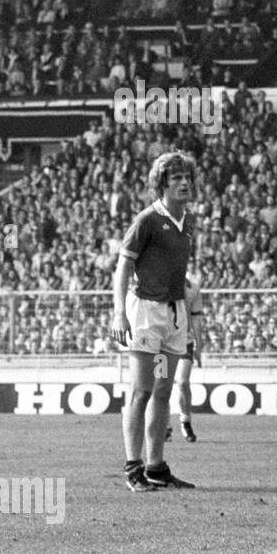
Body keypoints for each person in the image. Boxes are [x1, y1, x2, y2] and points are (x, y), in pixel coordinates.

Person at [108, 151, 200, 491]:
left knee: (163, 389)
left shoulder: (188, 221)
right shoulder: (147, 219)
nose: (184, 183)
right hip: (146, 313)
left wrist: (188, 319)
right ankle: (133, 467)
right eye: (175, 178)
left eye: (186, 177)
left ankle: (156, 467)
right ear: (161, 184)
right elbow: (123, 266)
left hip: (174, 315)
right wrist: (119, 312)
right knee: (142, 390)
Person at [166, 275, 201, 443]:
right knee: (161, 385)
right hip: (162, 341)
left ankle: (185, 421)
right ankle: (164, 426)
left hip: (185, 341)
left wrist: (199, 345)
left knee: (182, 382)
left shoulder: (192, 287)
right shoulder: (159, 279)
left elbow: (196, 318)